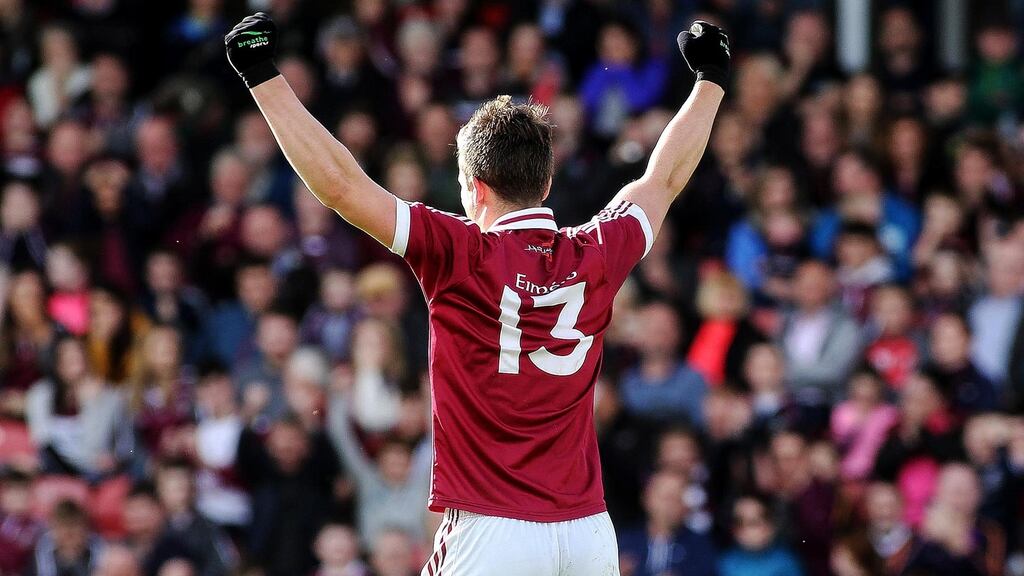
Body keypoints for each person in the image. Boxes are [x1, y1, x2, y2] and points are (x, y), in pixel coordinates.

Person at [225, 12, 729, 576]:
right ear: (546, 183)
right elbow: (663, 178)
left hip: (494, 528)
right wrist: (710, 79)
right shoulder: (598, 250)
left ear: (475, 188)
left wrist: (262, 75)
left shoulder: (457, 251)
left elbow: (341, 186)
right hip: (588, 532)